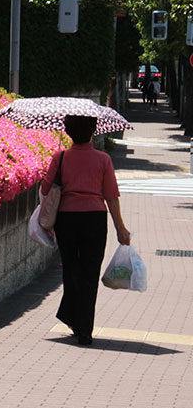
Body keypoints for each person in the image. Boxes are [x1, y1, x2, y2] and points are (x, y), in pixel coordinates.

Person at [40, 115, 130, 346]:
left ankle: (72, 318)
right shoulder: (103, 159)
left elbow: (45, 188)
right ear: (93, 131)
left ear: (68, 132)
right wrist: (120, 227)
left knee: (71, 269)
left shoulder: (60, 157)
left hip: (66, 219)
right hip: (95, 219)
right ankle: (85, 328)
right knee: (90, 272)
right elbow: (111, 196)